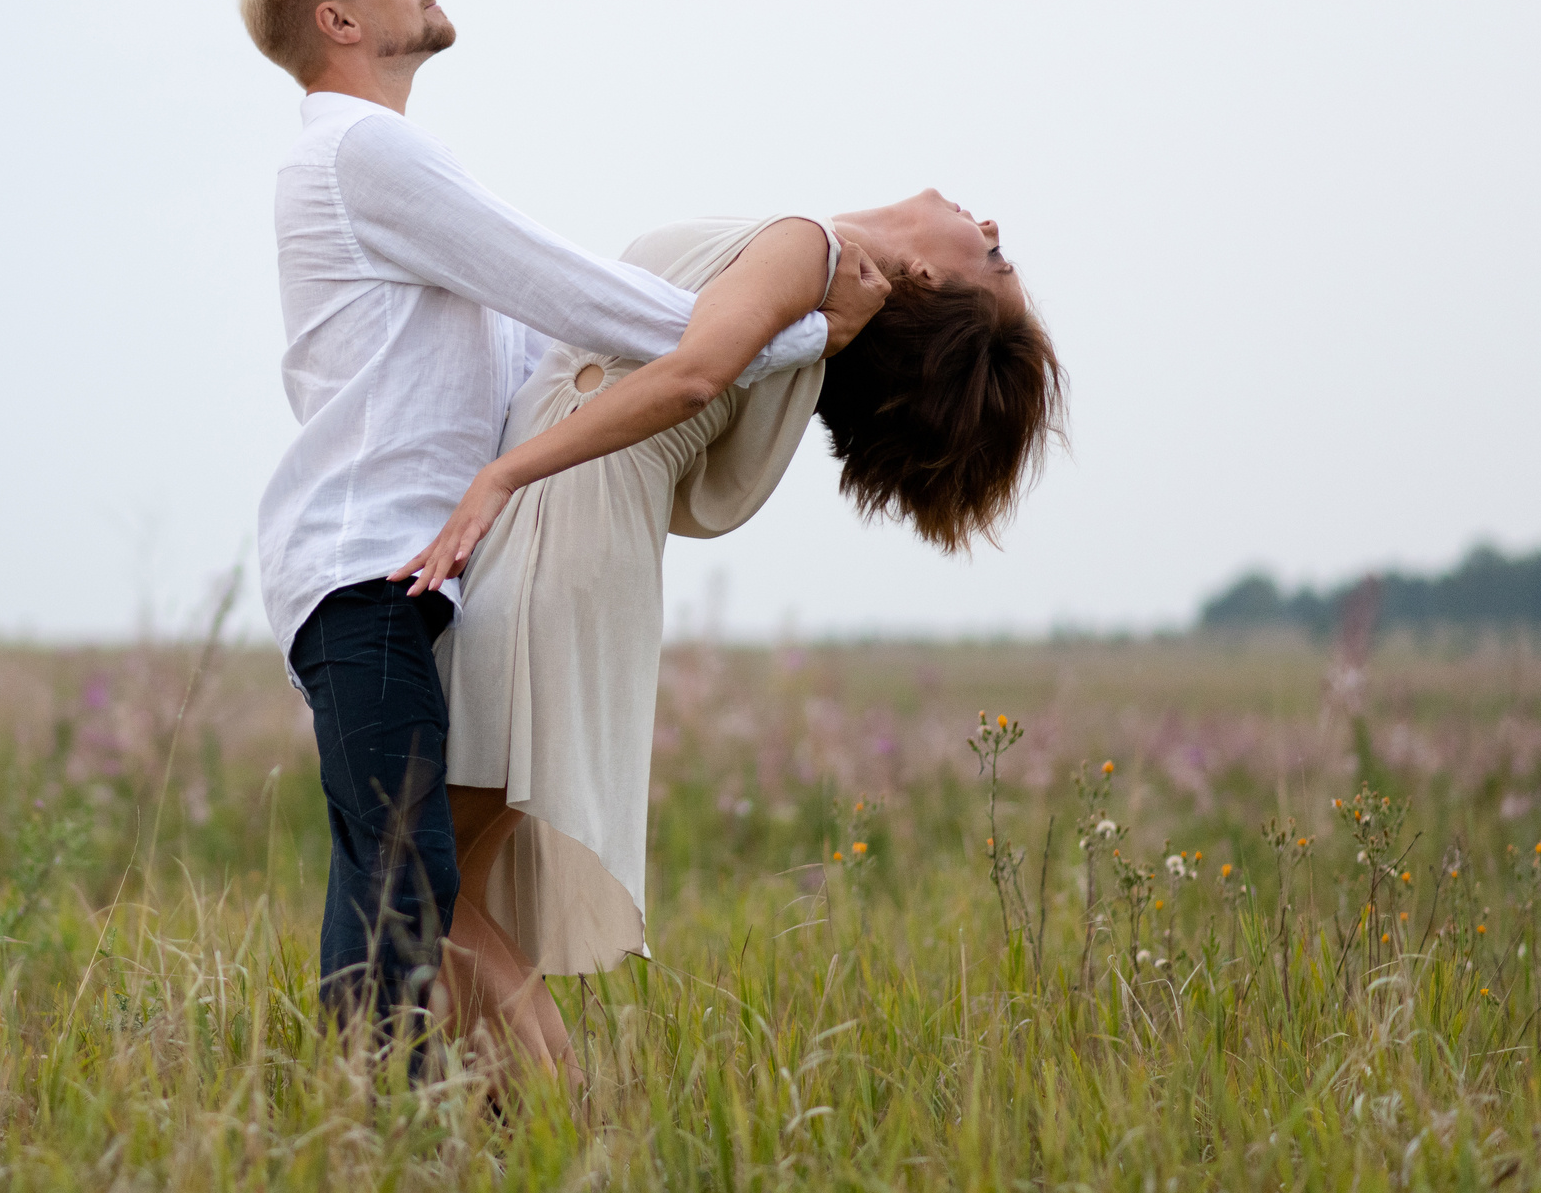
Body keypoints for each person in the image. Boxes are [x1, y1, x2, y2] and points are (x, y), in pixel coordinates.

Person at [239, 0, 886, 1045]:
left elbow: (537, 354)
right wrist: (793, 333)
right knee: (407, 879)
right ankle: (422, 1118)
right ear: (338, 22)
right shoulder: (360, 152)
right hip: (361, 577)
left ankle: (383, 1123)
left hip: (404, 582)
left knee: (391, 880)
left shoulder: (365, 162)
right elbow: (575, 293)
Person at [395, 194, 1066, 1074]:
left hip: (558, 541)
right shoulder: (814, 321)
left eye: (995, 259)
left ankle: (564, 1125)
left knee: (417, 881)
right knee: (446, 886)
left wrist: (501, 476)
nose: (990, 227)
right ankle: (522, 1128)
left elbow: (691, 379)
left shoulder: (808, 252)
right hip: (582, 551)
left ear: (928, 277)